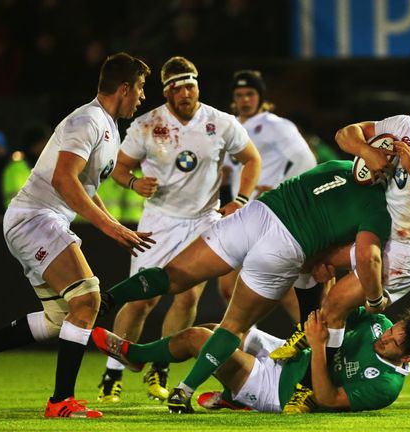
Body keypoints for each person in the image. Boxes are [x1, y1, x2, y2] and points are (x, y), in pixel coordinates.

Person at [0, 52, 153, 419]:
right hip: (34, 219)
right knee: (88, 299)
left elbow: (86, 187)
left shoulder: (108, 126)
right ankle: (60, 402)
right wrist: (109, 226)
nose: (142, 97)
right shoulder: (86, 120)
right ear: (124, 88)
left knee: (61, 317)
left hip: (44, 220)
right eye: (140, 88)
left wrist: (113, 225)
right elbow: (62, 180)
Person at [99, 160, 392, 413]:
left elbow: (345, 140)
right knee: (231, 328)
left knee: (172, 278)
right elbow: (366, 257)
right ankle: (182, 389)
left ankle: (106, 299)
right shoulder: (378, 208)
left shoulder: (336, 166)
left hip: (257, 215)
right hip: (285, 245)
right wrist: (375, 297)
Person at [97, 56, 261, 404]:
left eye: (191, 85)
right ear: (167, 93)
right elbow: (120, 167)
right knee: (142, 300)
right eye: (178, 87)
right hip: (159, 222)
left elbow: (251, 158)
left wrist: (242, 199)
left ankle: (161, 365)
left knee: (188, 297)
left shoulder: (220, 122)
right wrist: (133, 183)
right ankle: (113, 371)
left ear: (198, 85)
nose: (186, 93)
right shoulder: (146, 125)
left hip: (203, 221)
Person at [269, 96, 410, 364]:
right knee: (306, 259)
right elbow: (345, 134)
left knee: (337, 303)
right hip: (381, 229)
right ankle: (311, 330)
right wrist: (366, 151)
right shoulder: (400, 126)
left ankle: (314, 381)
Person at [91, 307, 410, 413]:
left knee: (200, 339)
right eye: (391, 329)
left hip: (279, 390)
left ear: (406, 356)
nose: (384, 337)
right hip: (292, 356)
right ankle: (230, 398)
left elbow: (324, 398)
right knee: (222, 328)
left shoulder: (386, 386)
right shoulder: (380, 325)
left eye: (392, 343)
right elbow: (340, 312)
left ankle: (133, 354)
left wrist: (320, 347)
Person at [218, 69, 316, 316]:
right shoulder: (229, 127)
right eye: (239, 94)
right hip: (242, 215)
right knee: (229, 286)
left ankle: (314, 341)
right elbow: (228, 171)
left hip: (273, 216)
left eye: (250, 93)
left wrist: (282, 189)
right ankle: (241, 345)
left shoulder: (275, 125)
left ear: (260, 96)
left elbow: (307, 161)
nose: (244, 100)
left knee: (283, 289)